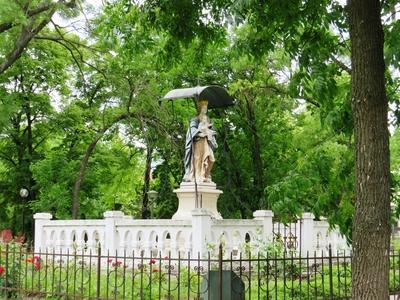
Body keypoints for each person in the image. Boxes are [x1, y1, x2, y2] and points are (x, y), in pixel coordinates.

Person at [183, 99, 217, 183]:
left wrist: (210, 132)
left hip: (206, 142)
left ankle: (206, 174)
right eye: (203, 107)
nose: (205, 109)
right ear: (200, 108)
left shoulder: (208, 120)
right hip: (198, 142)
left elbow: (212, 131)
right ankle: (198, 176)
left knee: (211, 159)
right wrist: (200, 132)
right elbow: (191, 131)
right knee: (197, 160)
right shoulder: (195, 119)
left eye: (206, 107)